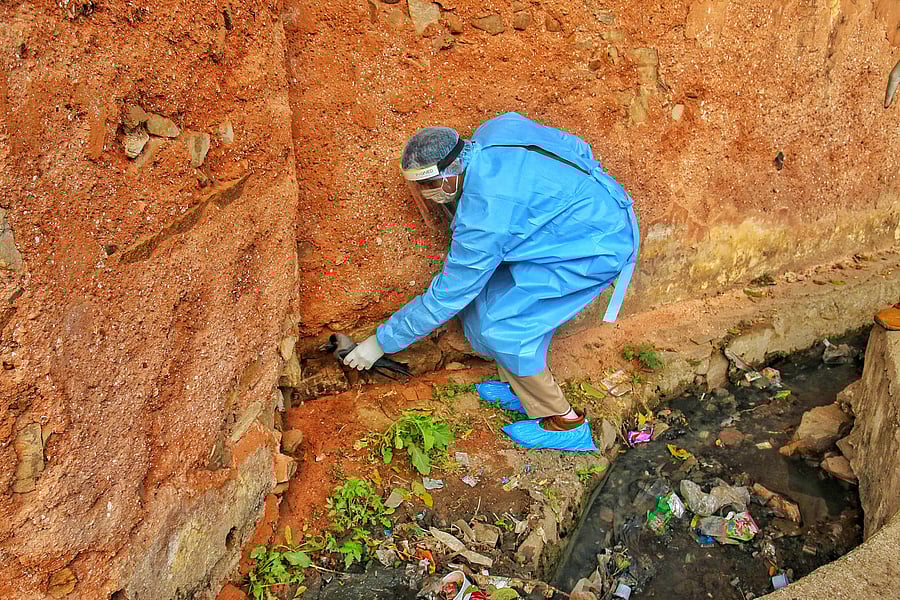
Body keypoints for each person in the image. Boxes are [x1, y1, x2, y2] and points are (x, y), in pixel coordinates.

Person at [343, 112, 640, 451]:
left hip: (593, 247)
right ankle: (521, 388)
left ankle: (564, 422)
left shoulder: (485, 219)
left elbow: (447, 295)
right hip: (572, 227)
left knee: (506, 329)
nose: (425, 194)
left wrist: (380, 343)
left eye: (427, 185)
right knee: (484, 308)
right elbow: (576, 147)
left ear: (451, 174)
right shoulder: (496, 130)